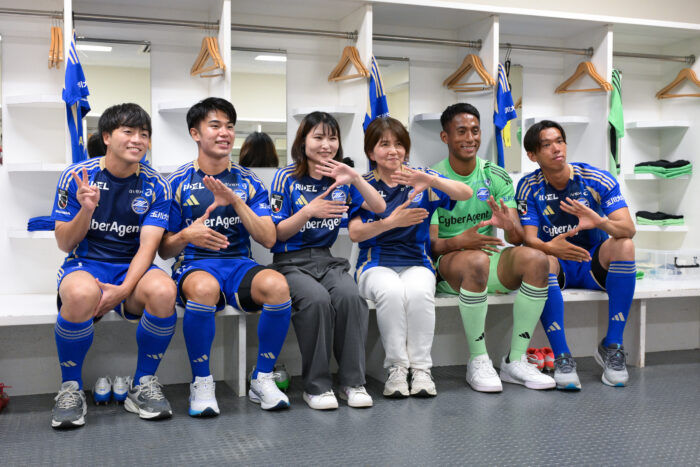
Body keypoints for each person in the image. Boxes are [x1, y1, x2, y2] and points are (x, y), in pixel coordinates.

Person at [159, 98, 292, 416]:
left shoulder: (249, 181)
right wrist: (186, 235)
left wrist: (235, 201)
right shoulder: (176, 182)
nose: (225, 133)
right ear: (195, 133)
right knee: (204, 289)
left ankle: (262, 378)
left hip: (239, 265)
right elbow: (164, 249)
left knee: (277, 285)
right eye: (215, 126)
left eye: (230, 126)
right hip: (194, 265)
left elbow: (268, 238)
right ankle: (202, 382)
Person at [50, 103, 177, 428]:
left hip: (131, 269)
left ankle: (143, 384)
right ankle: (70, 388)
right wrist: (86, 210)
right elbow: (64, 242)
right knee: (79, 294)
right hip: (86, 264)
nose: (138, 140)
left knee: (165, 291)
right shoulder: (78, 176)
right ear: (106, 136)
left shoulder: (156, 184)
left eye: (144, 134)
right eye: (128, 131)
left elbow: (148, 248)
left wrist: (123, 290)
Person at [430, 103, 555, 392]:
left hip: (488, 259)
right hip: (450, 264)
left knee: (538, 259)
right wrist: (461, 241)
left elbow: (516, 238)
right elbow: (432, 244)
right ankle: (478, 360)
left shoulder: (495, 174)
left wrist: (509, 225)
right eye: (461, 131)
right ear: (445, 137)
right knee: (476, 260)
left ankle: (515, 360)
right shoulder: (433, 179)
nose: (470, 138)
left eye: (475, 131)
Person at [348, 117, 472, 398]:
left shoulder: (421, 177)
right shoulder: (364, 183)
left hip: (418, 262)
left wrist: (432, 180)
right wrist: (391, 222)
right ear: (371, 152)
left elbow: (465, 193)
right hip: (374, 264)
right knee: (391, 291)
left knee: (418, 293)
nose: (393, 151)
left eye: (399, 144)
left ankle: (421, 370)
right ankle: (396, 368)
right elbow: (355, 233)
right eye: (384, 144)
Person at [270, 111, 386, 410]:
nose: (326, 144)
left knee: (351, 298)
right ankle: (317, 386)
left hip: (327, 259)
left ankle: (352, 382)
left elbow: (379, 206)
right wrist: (309, 211)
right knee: (317, 301)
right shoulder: (286, 177)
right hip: (290, 262)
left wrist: (355, 176)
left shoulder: (342, 177)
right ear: (303, 141)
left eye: (332, 138)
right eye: (318, 137)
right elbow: (276, 234)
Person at [517, 120, 637, 388]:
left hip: (592, 262)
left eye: (560, 141)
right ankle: (562, 356)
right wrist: (551, 247)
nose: (556, 148)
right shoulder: (528, 186)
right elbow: (529, 239)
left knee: (625, 245)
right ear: (533, 156)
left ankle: (612, 345)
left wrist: (600, 221)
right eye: (547, 145)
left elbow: (628, 229)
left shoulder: (596, 179)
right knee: (539, 259)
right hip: (556, 262)